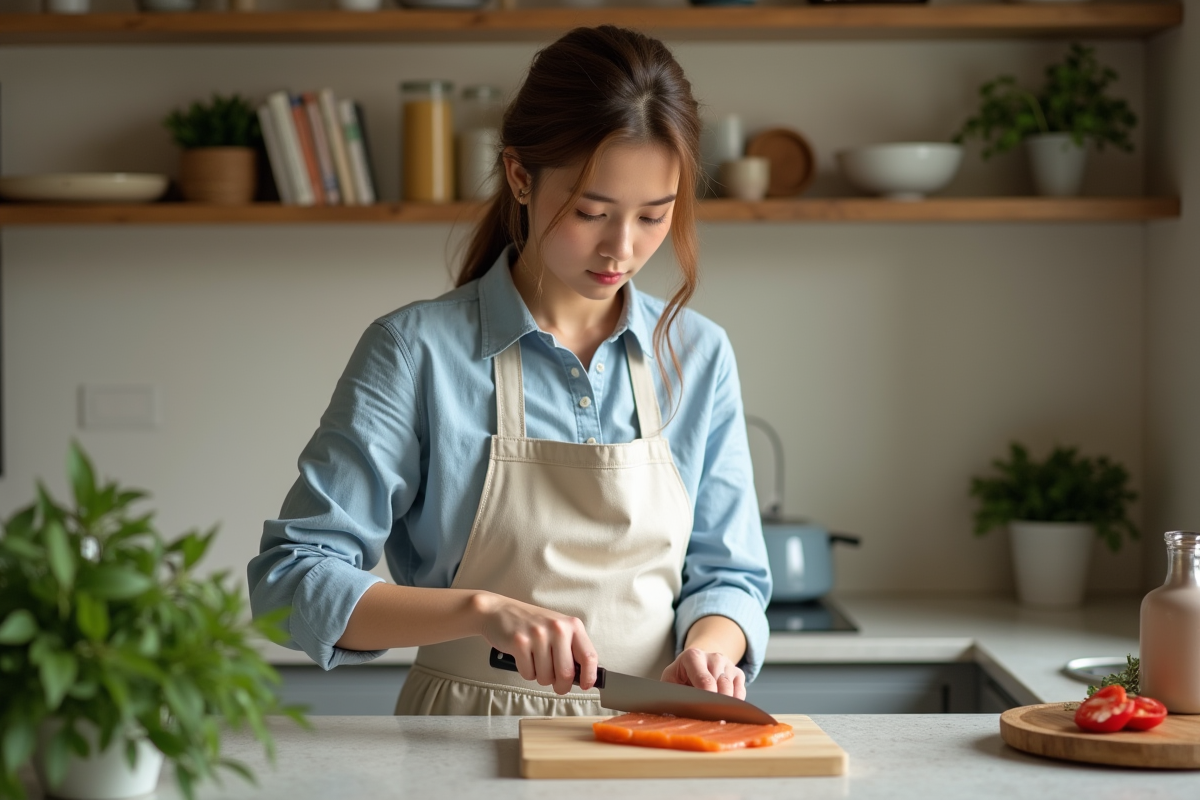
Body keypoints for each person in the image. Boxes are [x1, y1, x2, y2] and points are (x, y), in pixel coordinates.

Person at [248, 24, 771, 716]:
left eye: (654, 216)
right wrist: (479, 611)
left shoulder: (697, 355)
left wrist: (711, 645)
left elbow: (729, 573)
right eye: (592, 211)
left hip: (654, 733)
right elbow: (288, 587)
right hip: (466, 743)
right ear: (520, 176)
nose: (622, 249)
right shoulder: (416, 351)